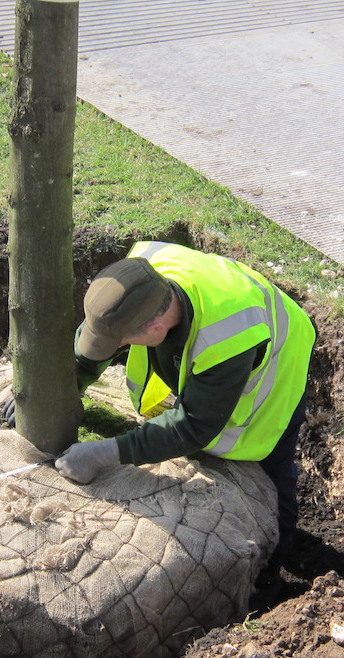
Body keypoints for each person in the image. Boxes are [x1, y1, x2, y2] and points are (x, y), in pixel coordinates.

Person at [53, 240, 316, 560]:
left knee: (275, 468)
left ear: (156, 326)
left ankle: (278, 562)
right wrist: (62, 392)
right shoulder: (138, 275)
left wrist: (102, 453)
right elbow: (101, 328)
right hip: (220, 311)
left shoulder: (227, 339)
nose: (117, 347)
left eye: (123, 341)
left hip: (279, 355)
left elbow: (194, 424)